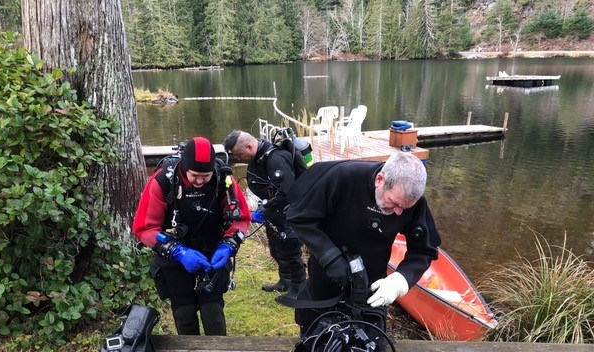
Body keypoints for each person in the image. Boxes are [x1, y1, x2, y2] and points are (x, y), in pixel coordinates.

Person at [285, 151, 441, 334]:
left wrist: (400, 281)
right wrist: (329, 256)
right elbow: (299, 218)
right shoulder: (343, 178)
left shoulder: (411, 203)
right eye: (394, 203)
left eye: (405, 208)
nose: (399, 213)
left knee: (366, 351)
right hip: (324, 281)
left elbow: (425, 250)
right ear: (380, 180)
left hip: (371, 291)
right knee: (315, 344)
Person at [132, 137, 250, 335]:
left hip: (212, 250)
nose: (200, 181)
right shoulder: (163, 181)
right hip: (174, 252)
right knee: (184, 311)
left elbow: (241, 218)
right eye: (195, 175)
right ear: (184, 168)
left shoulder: (223, 179)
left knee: (212, 309)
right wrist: (176, 251)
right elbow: (145, 228)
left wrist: (228, 245)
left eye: (206, 175)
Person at [223, 130, 306, 296]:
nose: (239, 159)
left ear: (249, 146)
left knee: (290, 253)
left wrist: (267, 208)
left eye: (239, 155)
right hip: (274, 213)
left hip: (288, 213)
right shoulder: (259, 157)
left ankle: (299, 289)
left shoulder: (275, 159)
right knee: (276, 250)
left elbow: (287, 191)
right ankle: (285, 281)